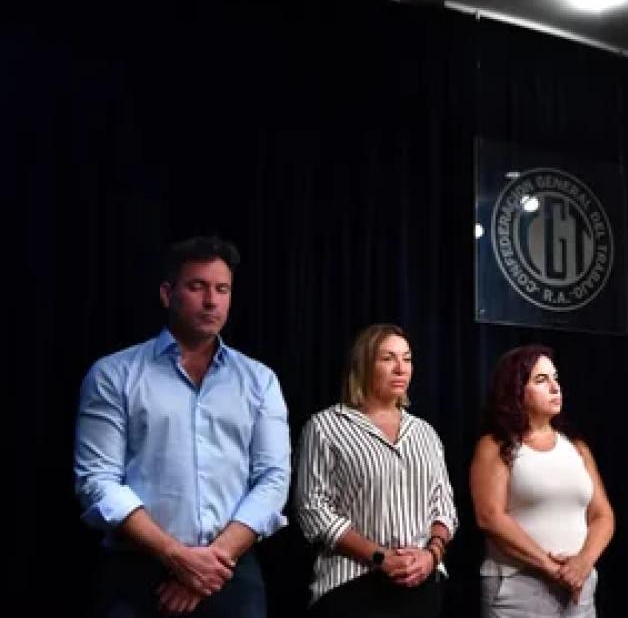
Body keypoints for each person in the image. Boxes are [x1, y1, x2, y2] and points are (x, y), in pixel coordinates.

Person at [74, 235, 291, 617]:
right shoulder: (114, 374)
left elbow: (273, 479)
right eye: (197, 287)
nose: (211, 301)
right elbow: (97, 481)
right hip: (138, 574)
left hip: (231, 574)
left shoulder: (260, 381)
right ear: (166, 293)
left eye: (222, 289)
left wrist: (209, 563)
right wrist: (176, 557)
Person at [293, 324, 457, 617]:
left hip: (421, 586)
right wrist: (381, 558)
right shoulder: (325, 427)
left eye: (406, 359)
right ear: (363, 364)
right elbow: (313, 511)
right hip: (352, 585)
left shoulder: (425, 432)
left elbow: (444, 506)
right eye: (388, 358)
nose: (400, 368)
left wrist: (431, 555)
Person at [471, 345, 615, 617]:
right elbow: (489, 516)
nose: (555, 387)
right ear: (516, 390)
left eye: (555, 378)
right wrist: (553, 568)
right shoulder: (495, 445)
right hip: (517, 589)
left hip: (578, 587)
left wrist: (583, 563)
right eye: (541, 380)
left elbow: (603, 515)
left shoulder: (577, 447)